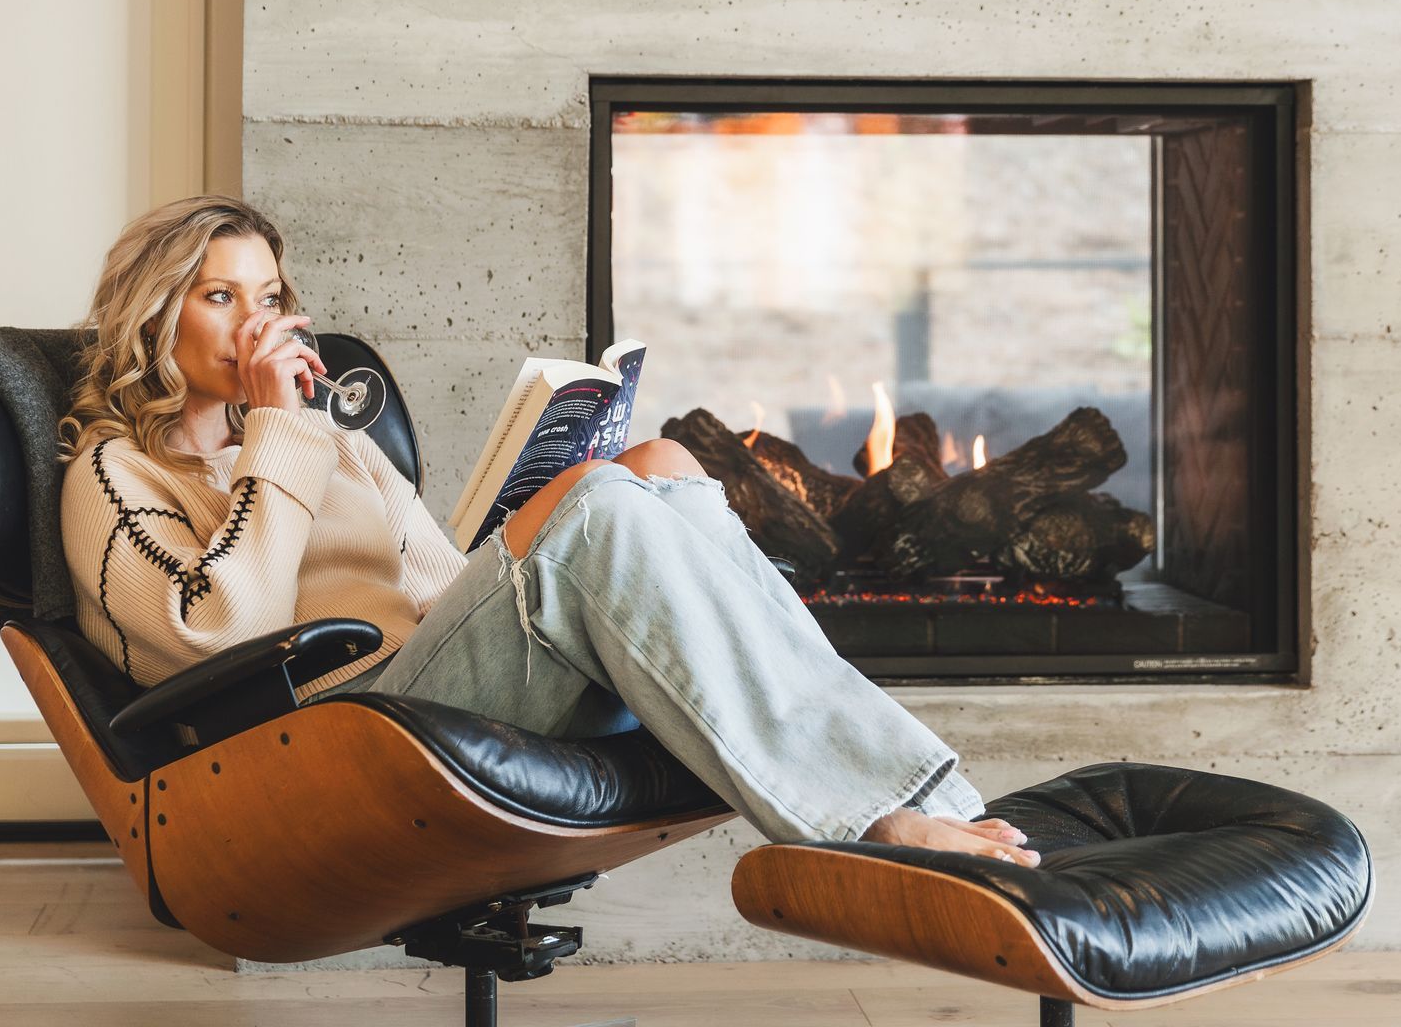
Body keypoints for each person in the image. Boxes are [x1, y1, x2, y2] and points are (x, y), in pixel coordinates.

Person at [57, 195, 1039, 865]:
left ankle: (932, 800)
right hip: (335, 732)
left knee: (660, 468)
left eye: (268, 297)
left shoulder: (331, 442)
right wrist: (279, 432)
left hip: (432, 676)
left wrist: (533, 514)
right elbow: (218, 631)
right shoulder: (114, 474)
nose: (254, 325)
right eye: (220, 296)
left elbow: (437, 580)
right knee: (599, 503)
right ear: (154, 314)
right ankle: (874, 816)